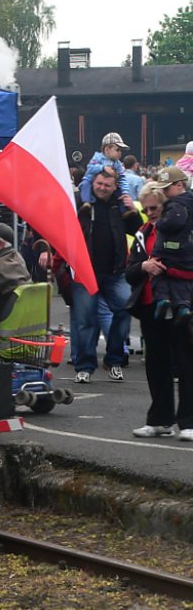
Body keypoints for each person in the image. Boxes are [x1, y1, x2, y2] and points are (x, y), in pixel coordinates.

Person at [124, 182, 193, 439]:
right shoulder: (142, 233)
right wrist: (144, 266)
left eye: (156, 208)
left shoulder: (185, 231)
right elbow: (129, 273)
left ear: (167, 206)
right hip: (150, 308)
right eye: (148, 208)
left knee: (186, 365)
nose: (151, 212)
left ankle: (188, 423)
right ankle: (160, 421)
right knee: (157, 366)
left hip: (181, 307)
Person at [71, 168, 142, 383]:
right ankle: (84, 366)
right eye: (99, 183)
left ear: (115, 187)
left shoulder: (120, 206)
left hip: (115, 271)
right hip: (86, 272)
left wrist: (133, 211)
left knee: (124, 309)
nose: (102, 188)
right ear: (92, 182)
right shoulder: (79, 202)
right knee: (85, 321)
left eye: (107, 185)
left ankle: (114, 360)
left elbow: (139, 231)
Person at [149, 166, 193, 322]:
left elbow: (175, 221)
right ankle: (182, 307)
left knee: (158, 273)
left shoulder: (176, 205)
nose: (164, 193)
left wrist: (160, 224)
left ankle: (163, 300)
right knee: (182, 286)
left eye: (166, 188)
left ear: (179, 185)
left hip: (170, 251)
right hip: (187, 254)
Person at [78, 132, 132, 203]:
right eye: (117, 150)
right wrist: (103, 168)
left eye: (121, 151)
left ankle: (125, 211)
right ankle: (86, 203)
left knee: (120, 194)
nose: (120, 153)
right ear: (106, 150)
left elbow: (122, 178)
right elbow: (90, 168)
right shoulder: (97, 157)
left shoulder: (118, 164)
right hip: (89, 180)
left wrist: (125, 192)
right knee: (85, 185)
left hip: (109, 188)